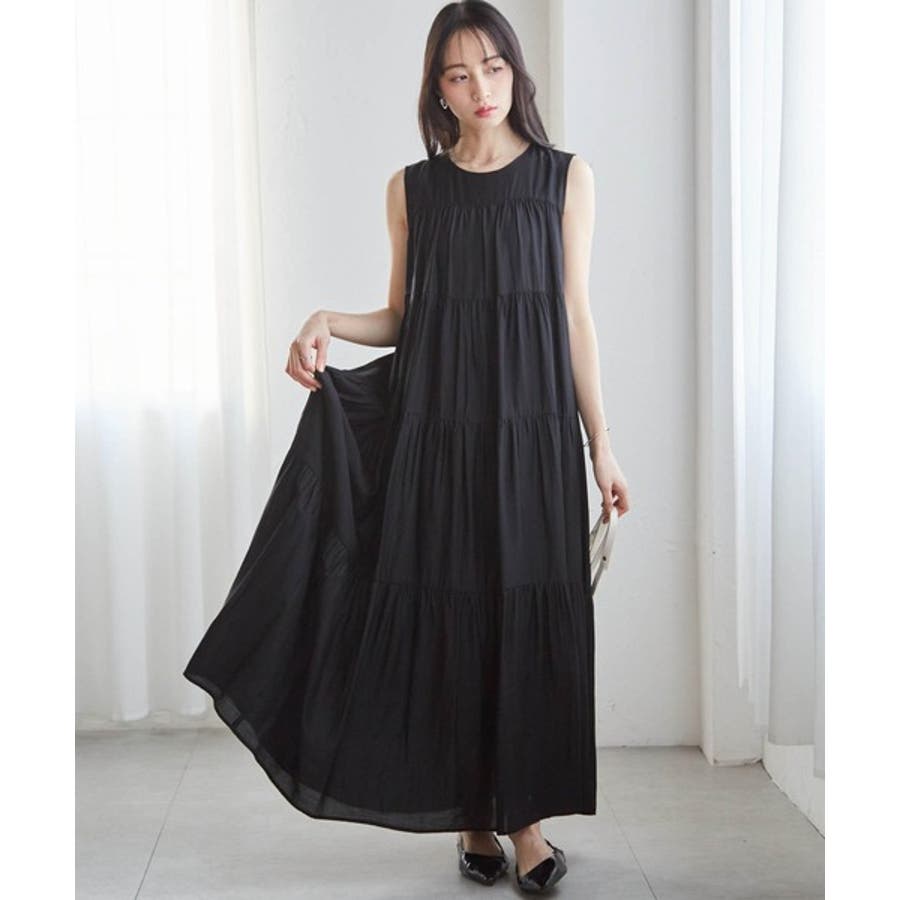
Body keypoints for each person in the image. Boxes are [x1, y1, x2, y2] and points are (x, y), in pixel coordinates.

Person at [185, 1, 630, 894]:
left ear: (515, 70)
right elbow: (404, 318)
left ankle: (527, 824)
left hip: (535, 436)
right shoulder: (412, 190)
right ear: (437, 89)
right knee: (451, 621)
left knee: (527, 618)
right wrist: (326, 319)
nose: (481, 88)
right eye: (459, 74)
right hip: (440, 435)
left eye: (493, 67)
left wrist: (601, 447)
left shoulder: (565, 178)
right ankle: (471, 815)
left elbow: (575, 318)